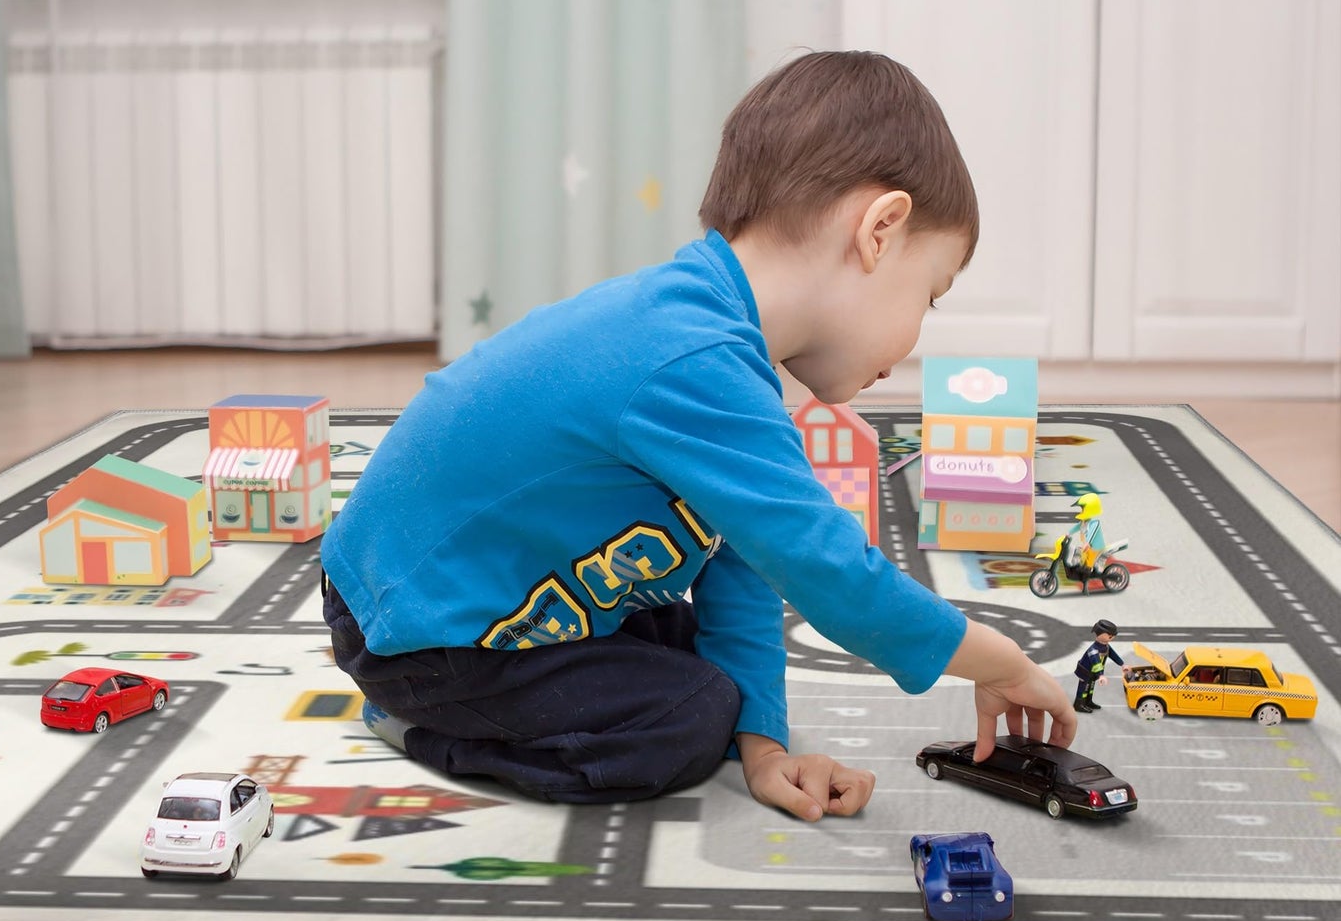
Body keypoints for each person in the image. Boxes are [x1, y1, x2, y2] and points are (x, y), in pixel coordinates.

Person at [320, 50, 1077, 824]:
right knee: (683, 720)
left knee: (709, 673)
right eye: (931, 294)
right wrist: (1001, 660)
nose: (919, 330)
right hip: (418, 631)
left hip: (477, 591)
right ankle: (421, 727)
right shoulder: (689, 358)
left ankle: (484, 706)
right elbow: (834, 577)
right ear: (879, 231)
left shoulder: (718, 350)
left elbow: (743, 568)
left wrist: (764, 744)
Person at [1073, 618, 1126, 712]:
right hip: (1085, 672)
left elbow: (1113, 655)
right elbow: (1096, 662)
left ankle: (1088, 701)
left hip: (1093, 673)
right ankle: (1079, 704)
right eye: (1109, 635)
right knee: (1084, 687)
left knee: (1091, 688)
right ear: (1100, 633)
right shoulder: (1093, 650)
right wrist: (1101, 675)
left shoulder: (1105, 647)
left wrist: (1122, 664)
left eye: (1112, 635)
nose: (1111, 637)